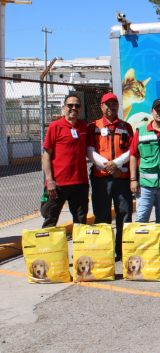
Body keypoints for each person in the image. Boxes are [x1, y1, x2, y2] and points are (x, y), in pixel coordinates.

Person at [129, 99, 160, 263]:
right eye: (157, 110)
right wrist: (133, 179)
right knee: (142, 218)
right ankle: (141, 251)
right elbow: (133, 155)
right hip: (145, 185)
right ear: (151, 112)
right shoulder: (141, 131)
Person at [87, 93, 134, 260]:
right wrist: (109, 167)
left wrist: (117, 163)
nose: (111, 107)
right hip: (101, 178)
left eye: (114, 104)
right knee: (102, 215)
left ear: (118, 106)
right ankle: (105, 251)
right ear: (101, 107)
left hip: (122, 177)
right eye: (107, 104)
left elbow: (132, 150)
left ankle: (122, 251)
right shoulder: (93, 126)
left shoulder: (126, 126)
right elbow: (90, 151)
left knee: (125, 214)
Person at [41, 95, 89, 228]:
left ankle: (79, 242)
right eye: (70, 105)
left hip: (80, 183)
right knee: (50, 218)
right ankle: (48, 242)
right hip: (58, 184)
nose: (74, 108)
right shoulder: (55, 126)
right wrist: (49, 180)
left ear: (81, 109)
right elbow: (46, 155)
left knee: (80, 221)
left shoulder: (83, 126)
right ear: (64, 108)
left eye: (77, 106)